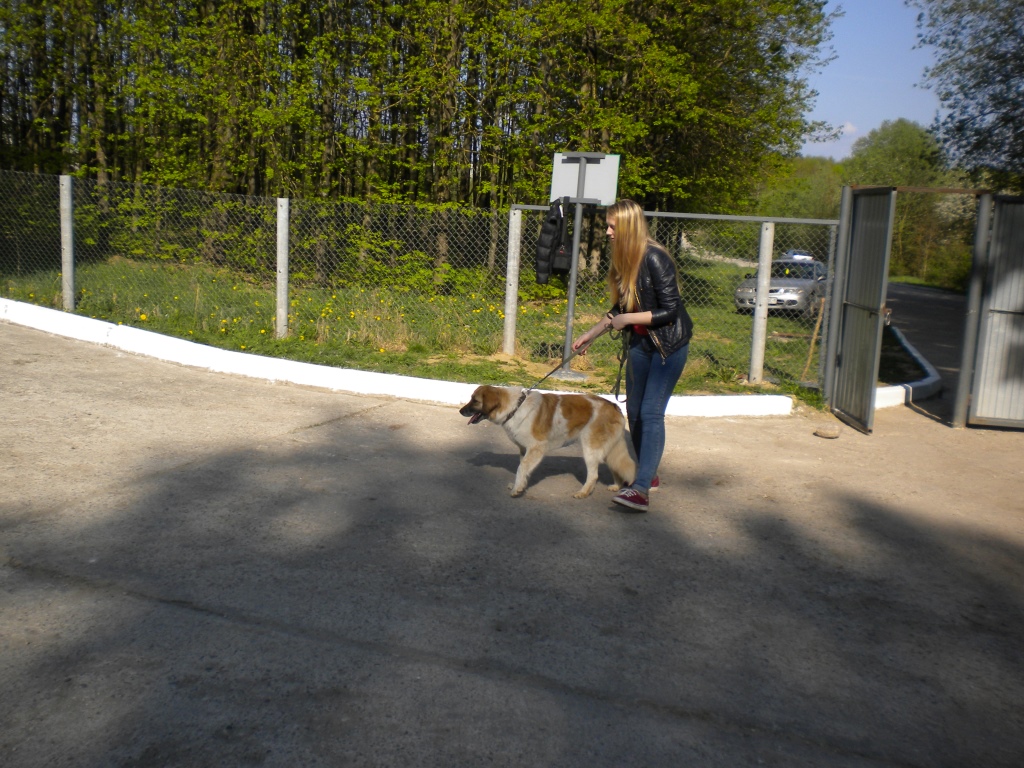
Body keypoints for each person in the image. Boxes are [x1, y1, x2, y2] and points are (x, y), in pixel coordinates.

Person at [571, 199, 693, 512]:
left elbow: (670, 309)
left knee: (651, 412)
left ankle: (640, 489)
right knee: (635, 413)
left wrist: (627, 320)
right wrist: (591, 334)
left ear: (628, 227)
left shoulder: (654, 257)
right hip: (641, 345)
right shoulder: (625, 259)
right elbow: (620, 309)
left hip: (668, 345)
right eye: (608, 226)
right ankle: (648, 476)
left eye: (613, 226)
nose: (608, 232)